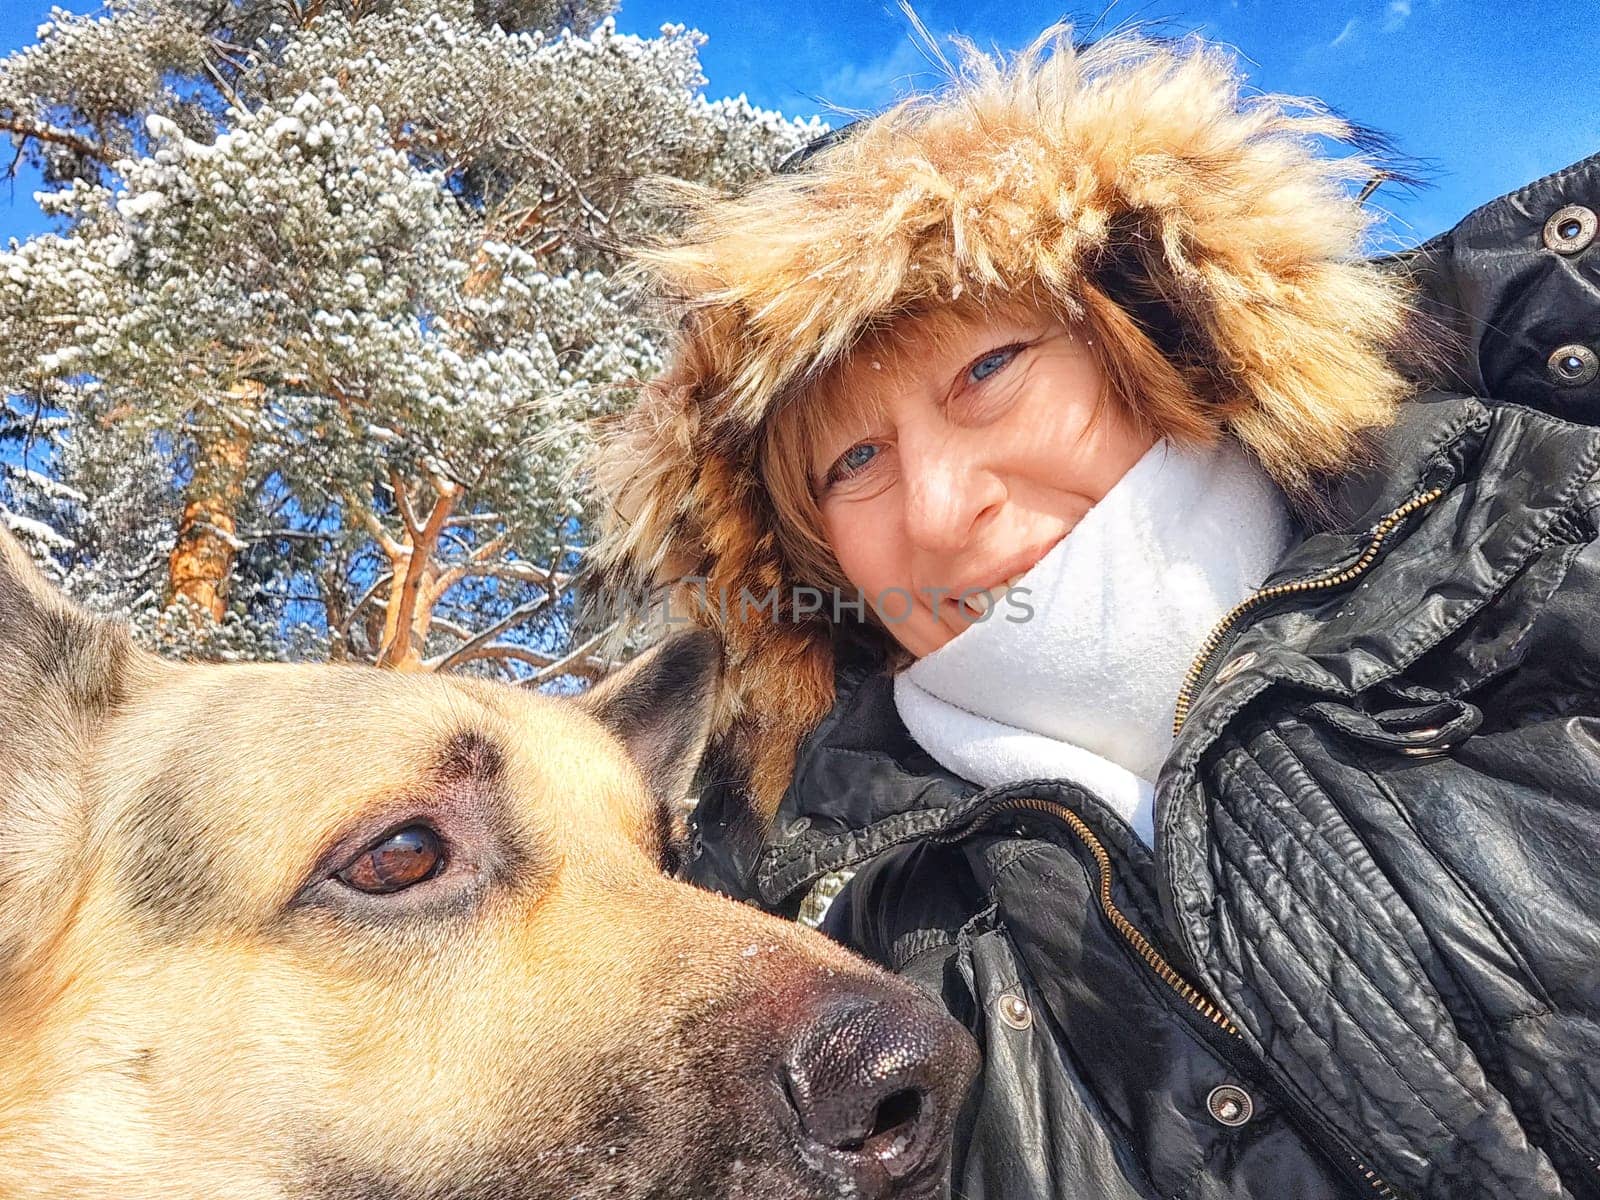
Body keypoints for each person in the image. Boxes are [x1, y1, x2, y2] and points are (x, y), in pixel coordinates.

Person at [586, 26, 1600, 1200]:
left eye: (986, 373)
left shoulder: (1547, 537)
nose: (941, 507)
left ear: (1151, 331)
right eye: (852, 461)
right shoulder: (826, 933)